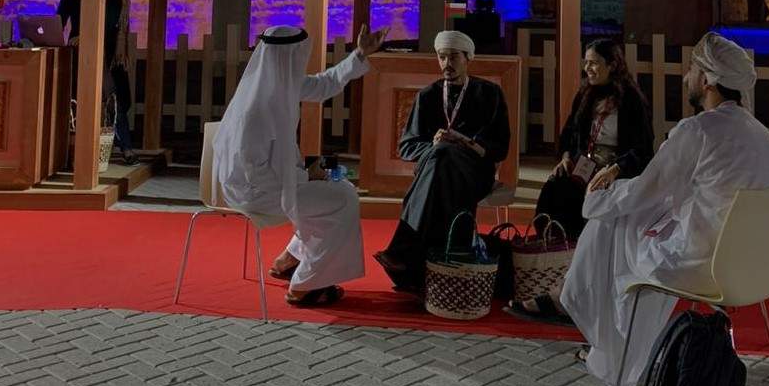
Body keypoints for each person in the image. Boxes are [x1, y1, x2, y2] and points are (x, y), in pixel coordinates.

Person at [559, 32, 769, 386]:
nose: (685, 77)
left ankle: (613, 348)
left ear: (708, 79)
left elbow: (647, 189)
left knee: (611, 225)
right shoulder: (765, 139)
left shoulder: (699, 130)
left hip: (704, 265)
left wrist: (599, 195)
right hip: (757, 269)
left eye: (692, 69)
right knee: (630, 223)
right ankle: (613, 346)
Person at [212, 23, 386, 306]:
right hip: (255, 192)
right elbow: (254, 174)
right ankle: (304, 286)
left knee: (337, 186)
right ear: (289, 56)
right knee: (343, 198)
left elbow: (325, 84)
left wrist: (360, 54)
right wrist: (304, 177)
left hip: (276, 182)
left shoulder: (283, 86)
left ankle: (289, 259)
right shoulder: (256, 109)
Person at [507, 39, 654, 321]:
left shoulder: (631, 100)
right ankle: (552, 261)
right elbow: (569, 134)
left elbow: (643, 149)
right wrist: (565, 157)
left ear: (612, 65)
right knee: (555, 190)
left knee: (593, 202)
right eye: (586, 62)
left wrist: (615, 169)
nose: (588, 68)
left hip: (614, 170)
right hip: (584, 165)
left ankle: (581, 282)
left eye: (595, 63)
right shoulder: (585, 95)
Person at [374, 30, 511, 291]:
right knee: (441, 157)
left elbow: (500, 147)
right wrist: (435, 145)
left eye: (453, 57)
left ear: (468, 58)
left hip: (474, 172)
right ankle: (440, 272)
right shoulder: (427, 96)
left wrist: (466, 142)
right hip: (436, 171)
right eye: (442, 57)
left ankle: (406, 255)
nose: (447, 63)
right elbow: (407, 146)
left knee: (443, 158)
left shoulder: (489, 93)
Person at [57, 0, 137, 164]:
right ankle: (74, 151)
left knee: (115, 99)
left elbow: (110, 23)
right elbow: (60, 19)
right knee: (77, 99)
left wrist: (89, 36)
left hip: (109, 53)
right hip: (79, 52)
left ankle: (126, 147)